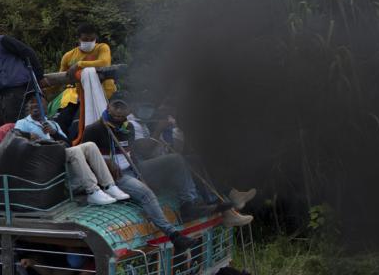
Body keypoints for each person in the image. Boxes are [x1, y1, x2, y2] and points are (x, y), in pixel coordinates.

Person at [82, 95, 252, 236]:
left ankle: (217, 202)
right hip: (116, 177)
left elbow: (133, 154)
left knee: (191, 160)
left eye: (122, 107)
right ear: (108, 106)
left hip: (136, 168)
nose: (118, 111)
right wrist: (105, 163)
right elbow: (85, 156)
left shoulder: (128, 129)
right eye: (115, 106)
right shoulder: (94, 129)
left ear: (129, 109)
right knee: (174, 163)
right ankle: (185, 213)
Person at [12, 97, 130, 206]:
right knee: (75, 152)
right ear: (28, 109)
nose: (36, 109)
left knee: (90, 145)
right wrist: (28, 135)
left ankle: (109, 185)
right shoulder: (23, 123)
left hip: (59, 153)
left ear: (45, 108)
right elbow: (14, 135)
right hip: (42, 157)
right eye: (33, 106)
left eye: (40, 106)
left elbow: (67, 143)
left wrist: (55, 133)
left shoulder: (52, 123)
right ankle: (92, 190)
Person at [0, 20, 45, 126]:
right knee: (10, 128)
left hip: (15, 92)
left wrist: (39, 75)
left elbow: (28, 52)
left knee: (18, 127)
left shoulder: (3, 41)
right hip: (1, 97)